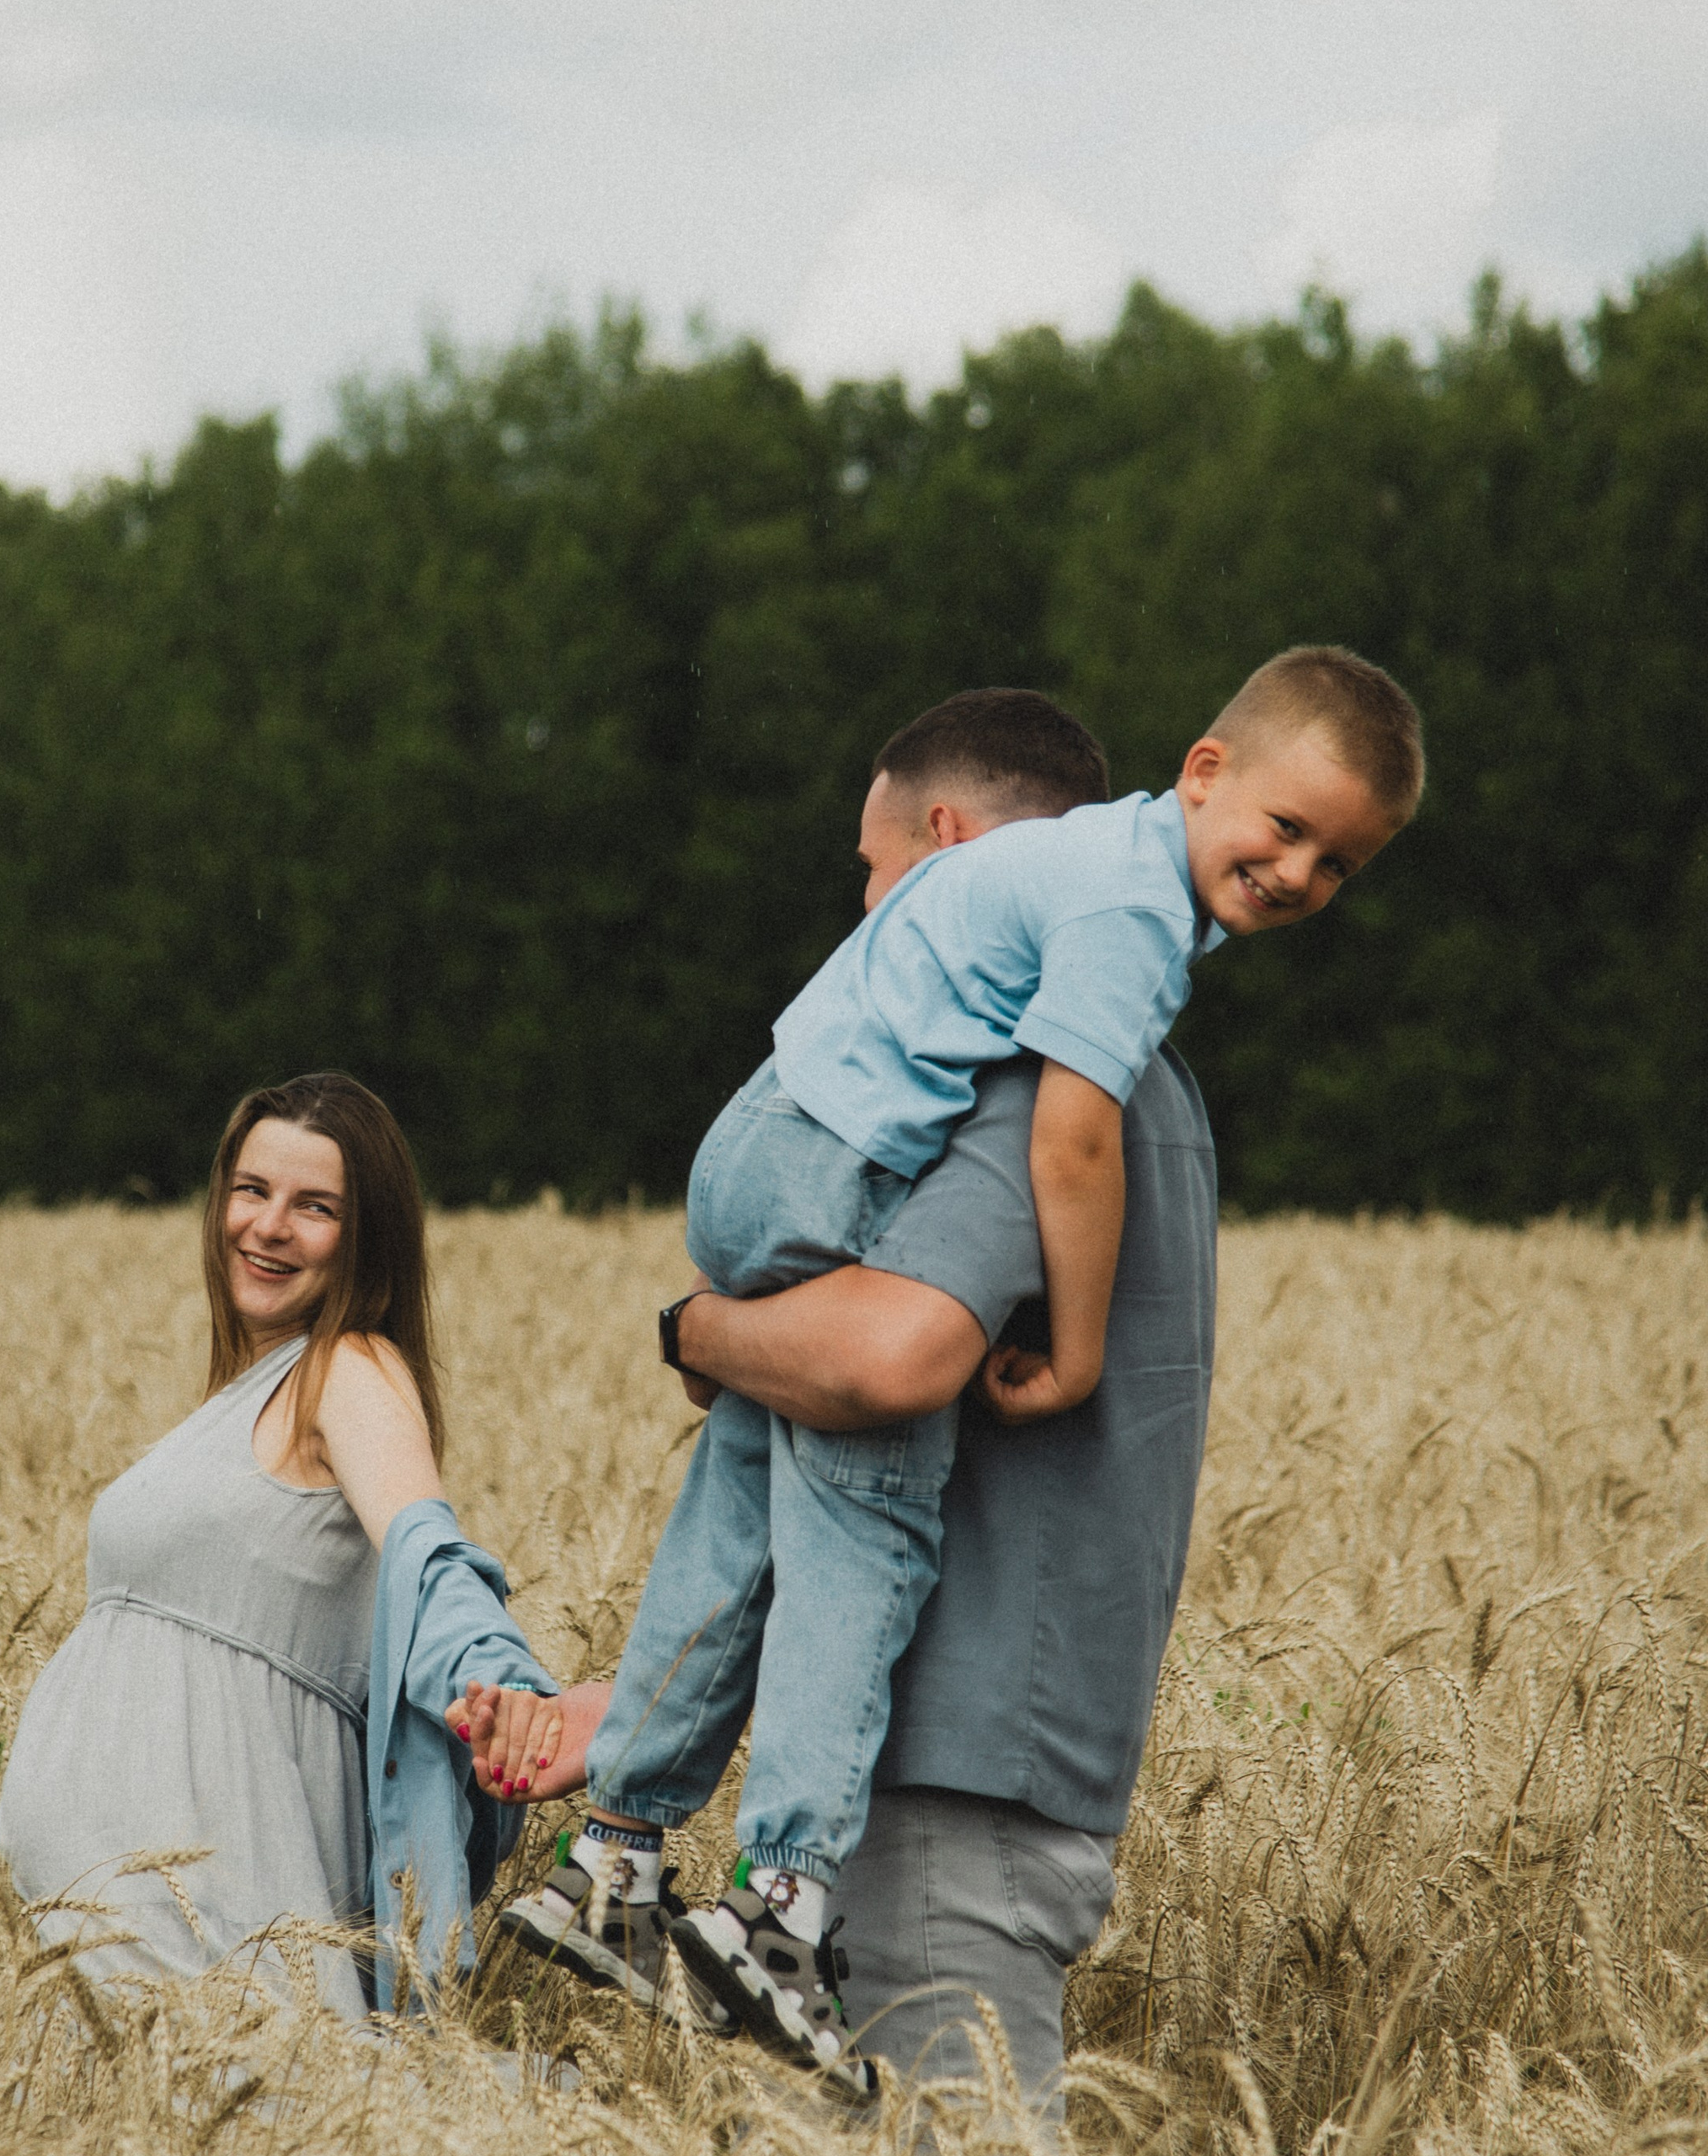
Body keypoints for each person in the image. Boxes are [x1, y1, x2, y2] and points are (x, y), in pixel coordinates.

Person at [499, 654, 1422, 2094]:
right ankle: (625, 1839)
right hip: (1004, 1761)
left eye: (883, 881)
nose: (876, 933)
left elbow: (889, 1361)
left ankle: (659, 1856)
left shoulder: (1022, 1078)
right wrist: (630, 1709)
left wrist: (696, 1334)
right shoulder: (1128, 1044)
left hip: (954, 1793)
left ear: (951, 851)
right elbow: (805, 1487)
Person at [0, 1072, 592, 2014]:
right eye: (251, 1190)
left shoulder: (347, 1366)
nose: (269, 1226)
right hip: (111, 1912)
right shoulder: (250, 1390)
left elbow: (424, 1552)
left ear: (366, 1240)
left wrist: (507, 1683)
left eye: (315, 1207)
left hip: (204, 1906)